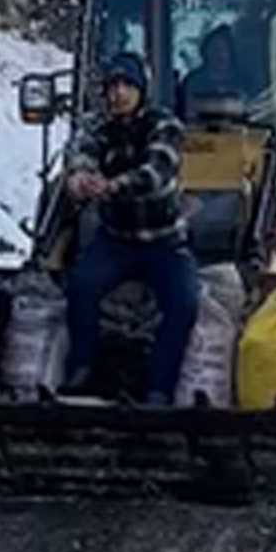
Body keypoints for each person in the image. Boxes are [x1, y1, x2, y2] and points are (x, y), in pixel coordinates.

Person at [61, 53, 199, 405]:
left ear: (142, 90)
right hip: (116, 240)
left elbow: (156, 173)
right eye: (112, 86)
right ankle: (82, 368)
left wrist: (112, 186)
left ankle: (159, 386)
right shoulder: (95, 126)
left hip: (164, 241)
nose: (118, 94)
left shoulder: (165, 125)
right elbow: (82, 154)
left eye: (127, 86)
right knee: (80, 285)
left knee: (184, 301)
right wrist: (79, 179)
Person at [183, 25, 246, 118]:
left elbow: (252, 110)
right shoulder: (193, 81)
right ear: (205, 52)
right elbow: (188, 113)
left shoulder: (243, 80)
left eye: (224, 49)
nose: (220, 54)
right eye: (215, 49)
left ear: (231, 52)